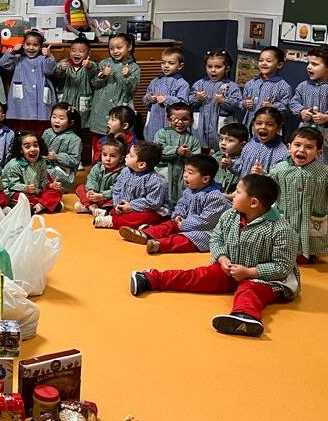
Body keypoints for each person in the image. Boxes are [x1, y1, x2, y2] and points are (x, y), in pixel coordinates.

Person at [131, 174, 299, 338]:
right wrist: (222, 258)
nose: (232, 194)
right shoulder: (229, 215)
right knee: (198, 276)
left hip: (267, 280)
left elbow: (282, 267)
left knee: (249, 290)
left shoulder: (280, 229)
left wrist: (249, 273)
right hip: (230, 269)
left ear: (254, 202)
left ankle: (245, 318)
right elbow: (216, 239)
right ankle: (152, 279)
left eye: (238, 192)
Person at [118, 154, 231, 254]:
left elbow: (206, 221)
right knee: (169, 225)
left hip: (207, 231)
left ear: (205, 179)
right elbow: (181, 204)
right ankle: (145, 234)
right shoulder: (190, 190)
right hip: (186, 223)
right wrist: (177, 215)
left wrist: (184, 224)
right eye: (185, 171)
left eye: (190, 173)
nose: (185, 175)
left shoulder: (216, 197)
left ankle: (159, 244)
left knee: (187, 239)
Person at [268, 128, 328, 262]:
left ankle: (309, 256)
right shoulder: (279, 169)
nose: (301, 150)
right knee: (284, 242)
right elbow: (269, 189)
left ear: (318, 153)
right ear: (289, 147)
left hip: (312, 218)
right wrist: (260, 176)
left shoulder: (324, 172)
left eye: (309, 147)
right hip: (286, 216)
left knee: (312, 244)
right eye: (297, 145)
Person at [93, 142, 168, 230]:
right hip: (126, 207)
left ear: (141, 164)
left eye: (131, 155)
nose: (127, 156)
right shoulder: (125, 171)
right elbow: (117, 189)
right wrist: (118, 204)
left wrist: (131, 206)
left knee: (148, 216)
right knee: (116, 212)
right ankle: (139, 226)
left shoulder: (156, 181)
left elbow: (153, 203)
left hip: (146, 210)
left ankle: (112, 221)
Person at [0, 30, 57, 134]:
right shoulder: (17, 59)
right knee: (22, 130)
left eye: (35, 45)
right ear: (23, 45)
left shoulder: (43, 59)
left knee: (41, 131)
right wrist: (12, 51)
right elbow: (3, 63)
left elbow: (49, 70)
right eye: (28, 44)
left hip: (40, 100)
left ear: (40, 47)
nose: (31, 48)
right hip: (22, 100)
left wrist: (49, 56)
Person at [87, 33, 140, 143]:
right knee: (98, 145)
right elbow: (94, 85)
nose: (115, 51)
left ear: (129, 47)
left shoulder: (134, 68)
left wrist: (127, 76)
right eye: (111, 48)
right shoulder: (104, 63)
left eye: (119, 48)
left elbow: (132, 89)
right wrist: (102, 76)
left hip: (120, 111)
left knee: (118, 144)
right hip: (101, 110)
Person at [189, 50, 242, 153]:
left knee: (221, 149)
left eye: (218, 67)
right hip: (201, 125)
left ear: (226, 68)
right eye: (209, 67)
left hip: (221, 125)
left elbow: (237, 104)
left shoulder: (231, 86)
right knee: (200, 149)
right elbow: (190, 101)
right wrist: (197, 98)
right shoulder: (199, 84)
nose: (213, 70)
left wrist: (223, 101)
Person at [1, 130, 64, 214]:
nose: (33, 149)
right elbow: (11, 185)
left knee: (56, 192)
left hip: (36, 193)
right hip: (16, 192)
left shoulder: (41, 162)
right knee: (22, 197)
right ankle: (48, 204)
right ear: (21, 150)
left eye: (35, 145)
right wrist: (25, 188)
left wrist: (51, 185)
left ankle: (37, 208)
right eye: (27, 147)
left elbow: (43, 182)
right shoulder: (14, 164)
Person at [154, 103, 201, 204]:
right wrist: (175, 150)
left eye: (185, 119)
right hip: (164, 172)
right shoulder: (162, 133)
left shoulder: (193, 139)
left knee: (182, 196)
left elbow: (198, 160)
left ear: (191, 121)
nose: (180, 122)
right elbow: (157, 151)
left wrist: (190, 155)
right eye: (175, 119)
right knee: (162, 194)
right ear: (169, 120)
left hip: (183, 174)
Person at [141, 46, 190, 141]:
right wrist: (149, 98)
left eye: (171, 63)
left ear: (180, 66)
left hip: (171, 122)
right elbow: (145, 99)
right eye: (163, 63)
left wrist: (166, 99)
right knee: (152, 142)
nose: (166, 66)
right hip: (154, 120)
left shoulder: (182, 84)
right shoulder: (155, 81)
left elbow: (183, 104)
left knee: (168, 142)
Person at [288, 44, 328, 160]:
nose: (309, 67)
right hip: (305, 131)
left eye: (315, 64)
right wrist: (301, 111)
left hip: (324, 134)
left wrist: (326, 117)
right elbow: (293, 103)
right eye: (308, 63)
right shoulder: (303, 86)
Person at [240, 46, 292, 130]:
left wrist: (273, 106)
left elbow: (287, 108)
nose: (264, 63)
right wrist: (245, 103)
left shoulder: (283, 86)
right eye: (261, 60)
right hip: (250, 126)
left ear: (279, 64)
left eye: (268, 61)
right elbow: (241, 102)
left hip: (270, 129)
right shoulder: (251, 83)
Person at [75, 136, 126, 216]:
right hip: (95, 195)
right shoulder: (97, 167)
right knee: (80, 188)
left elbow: (117, 189)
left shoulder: (123, 172)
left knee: (119, 200)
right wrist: (91, 191)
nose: (108, 159)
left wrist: (102, 196)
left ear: (120, 158)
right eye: (105, 155)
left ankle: (90, 207)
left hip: (108, 198)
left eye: (112, 156)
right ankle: (92, 207)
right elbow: (91, 180)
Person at [43, 102, 82, 192]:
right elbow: (41, 148)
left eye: (61, 118)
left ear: (70, 122)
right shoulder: (47, 132)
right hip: (46, 165)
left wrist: (57, 157)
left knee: (45, 173)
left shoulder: (75, 139)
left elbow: (74, 160)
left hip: (63, 171)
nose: (56, 121)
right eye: (54, 117)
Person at [239, 107, 289, 176]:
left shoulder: (282, 153)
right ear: (253, 124)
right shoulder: (250, 144)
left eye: (269, 124)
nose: (263, 127)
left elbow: (279, 179)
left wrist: (263, 175)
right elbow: (242, 169)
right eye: (259, 123)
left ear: (279, 127)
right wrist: (231, 164)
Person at [54, 36, 94, 118]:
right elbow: (56, 75)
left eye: (81, 51)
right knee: (64, 118)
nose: (76, 53)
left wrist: (90, 67)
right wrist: (61, 69)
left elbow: (94, 75)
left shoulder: (90, 65)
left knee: (82, 120)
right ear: (70, 51)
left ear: (88, 53)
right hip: (66, 98)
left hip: (82, 102)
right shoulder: (64, 63)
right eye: (73, 50)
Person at [214, 122, 247, 195]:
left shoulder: (244, 160)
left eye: (230, 140)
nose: (223, 143)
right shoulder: (217, 156)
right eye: (221, 139)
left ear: (242, 145)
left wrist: (232, 165)